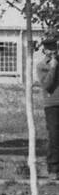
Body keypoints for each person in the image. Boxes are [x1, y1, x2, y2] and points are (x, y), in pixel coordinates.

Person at [41, 38, 59, 179]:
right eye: (49, 48)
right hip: (52, 105)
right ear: (44, 50)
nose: (52, 51)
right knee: (54, 137)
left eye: (54, 47)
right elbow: (47, 85)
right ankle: (53, 169)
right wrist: (53, 67)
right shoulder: (42, 65)